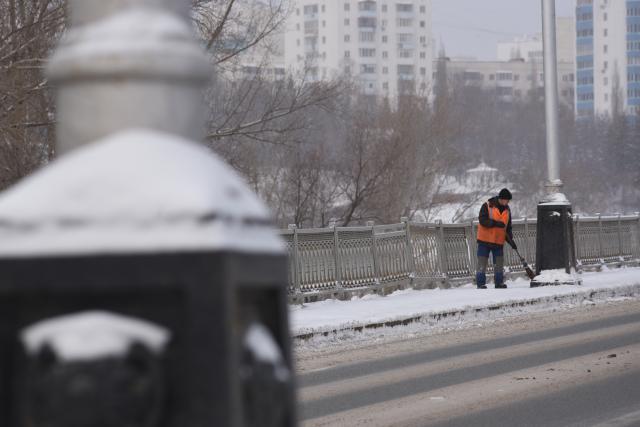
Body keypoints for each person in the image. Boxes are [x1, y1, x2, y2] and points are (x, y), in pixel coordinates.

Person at [476, 188, 517, 289]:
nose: (507, 202)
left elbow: (508, 227)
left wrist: (511, 241)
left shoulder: (507, 210)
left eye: (508, 201)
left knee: (499, 263)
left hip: (498, 241)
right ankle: (481, 284)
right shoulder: (487, 205)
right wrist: (495, 223)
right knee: (482, 263)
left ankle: (499, 283)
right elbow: (482, 220)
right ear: (501, 199)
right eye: (506, 200)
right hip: (484, 240)